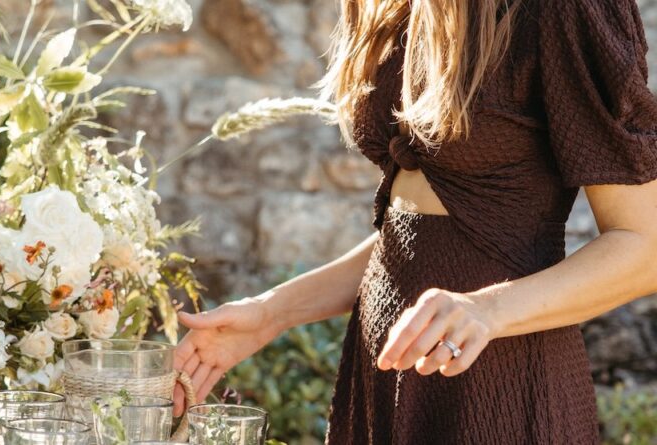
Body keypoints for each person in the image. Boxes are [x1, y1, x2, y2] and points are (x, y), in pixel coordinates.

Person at [173, 0, 657, 443]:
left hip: (496, 391)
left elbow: (645, 248)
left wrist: (486, 310)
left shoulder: (563, 10)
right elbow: (418, 236)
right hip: (384, 375)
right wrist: (270, 313)